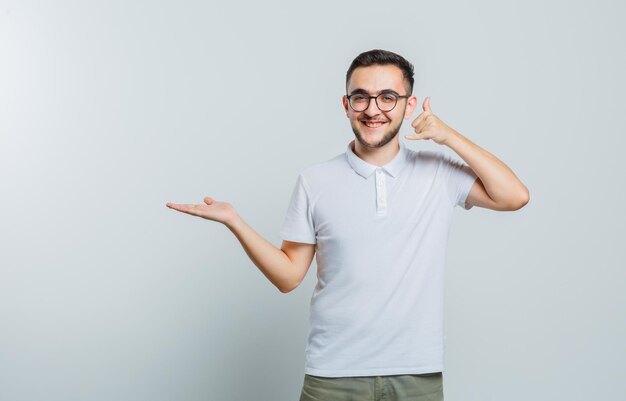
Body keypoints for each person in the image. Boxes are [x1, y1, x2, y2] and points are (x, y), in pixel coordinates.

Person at [166, 49, 529, 401]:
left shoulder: (438, 172)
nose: (373, 110)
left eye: (388, 97)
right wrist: (234, 221)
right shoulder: (315, 180)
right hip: (333, 374)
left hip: (417, 372)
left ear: (409, 104)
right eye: (361, 97)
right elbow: (289, 276)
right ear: (346, 105)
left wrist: (448, 136)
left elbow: (514, 196)